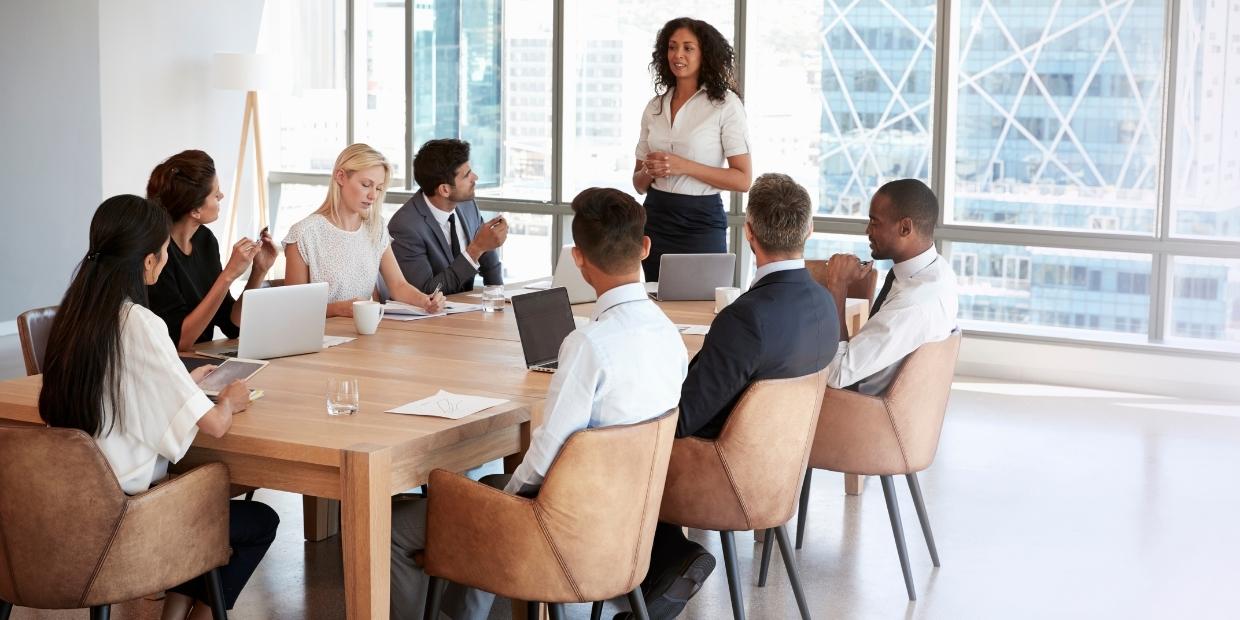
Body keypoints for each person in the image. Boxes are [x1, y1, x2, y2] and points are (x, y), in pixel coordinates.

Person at [388, 188, 689, 620]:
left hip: (562, 533)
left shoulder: (590, 344)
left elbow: (547, 456)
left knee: (396, 527)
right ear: (645, 247)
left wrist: (502, 508)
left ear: (578, 259)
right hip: (628, 524)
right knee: (488, 491)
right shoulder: (668, 336)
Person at [38, 195, 278, 620]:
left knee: (202, 503)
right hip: (126, 521)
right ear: (148, 262)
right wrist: (228, 399)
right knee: (258, 520)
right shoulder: (140, 323)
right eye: (165, 253)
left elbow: (119, 387)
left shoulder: (74, 316)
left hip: (65, 509)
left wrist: (180, 383)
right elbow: (215, 425)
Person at [630, 173, 839, 620]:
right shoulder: (824, 303)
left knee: (616, 443)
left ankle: (662, 563)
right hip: (779, 473)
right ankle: (664, 564)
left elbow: (684, 418)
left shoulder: (745, 318)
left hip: (721, 474)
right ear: (809, 231)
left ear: (748, 232)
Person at [633, 17, 752, 282]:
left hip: (701, 221)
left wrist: (682, 165)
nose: (678, 55)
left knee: (703, 306)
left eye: (688, 48)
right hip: (655, 219)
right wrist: (649, 171)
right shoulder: (654, 107)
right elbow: (638, 184)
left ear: (704, 54)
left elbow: (743, 179)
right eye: (672, 47)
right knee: (657, 301)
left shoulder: (725, 105)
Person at [822, 178, 959, 395]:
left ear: (905, 227)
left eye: (875, 222)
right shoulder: (940, 272)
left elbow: (836, 374)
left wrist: (837, 286)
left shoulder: (911, 304)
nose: (867, 230)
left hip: (856, 407)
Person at [283, 143, 445, 317]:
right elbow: (294, 308)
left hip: (365, 333)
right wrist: (336, 309)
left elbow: (398, 285)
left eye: (378, 188)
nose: (373, 195)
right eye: (366, 184)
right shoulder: (304, 234)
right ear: (340, 177)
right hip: (322, 338)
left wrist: (426, 301)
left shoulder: (376, 228)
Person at [145, 150, 278, 351]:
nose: (221, 196)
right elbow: (179, 341)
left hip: (203, 361)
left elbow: (232, 325)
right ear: (195, 210)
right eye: (216, 194)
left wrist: (259, 270)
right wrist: (227, 276)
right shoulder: (158, 256)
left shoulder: (204, 240)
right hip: (176, 367)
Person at [389, 139, 506, 295]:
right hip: (429, 317)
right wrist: (475, 249)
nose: (475, 177)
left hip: (468, 313)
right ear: (444, 189)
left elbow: (487, 257)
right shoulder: (405, 226)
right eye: (467, 175)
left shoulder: (466, 205)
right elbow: (426, 292)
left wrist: (499, 298)